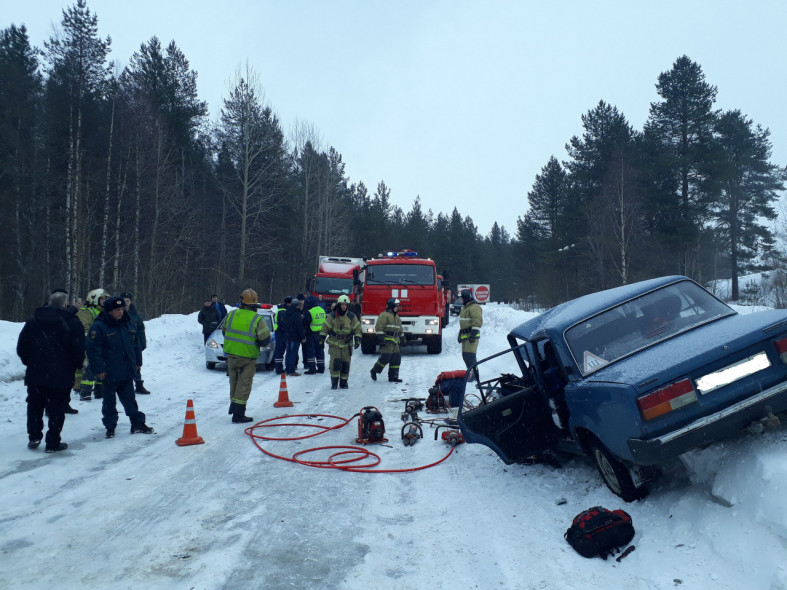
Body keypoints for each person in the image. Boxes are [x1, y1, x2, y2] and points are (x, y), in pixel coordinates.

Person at [16, 289, 85, 453]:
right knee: (57, 408)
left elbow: (22, 347)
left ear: (48, 302)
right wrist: (75, 365)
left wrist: (30, 363)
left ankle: (34, 436)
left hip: (36, 372)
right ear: (64, 304)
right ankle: (52, 442)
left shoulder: (33, 321)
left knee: (34, 405)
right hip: (61, 374)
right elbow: (79, 348)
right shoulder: (73, 323)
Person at [85, 296, 153, 438]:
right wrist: (99, 369)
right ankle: (110, 427)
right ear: (109, 311)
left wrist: (138, 362)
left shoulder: (127, 324)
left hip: (127, 369)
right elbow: (93, 350)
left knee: (130, 400)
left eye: (121, 309)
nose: (120, 312)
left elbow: (135, 345)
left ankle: (137, 423)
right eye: (117, 310)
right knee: (109, 402)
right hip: (109, 372)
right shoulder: (99, 326)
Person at [223, 288, 271, 423]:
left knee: (234, 383)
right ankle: (238, 414)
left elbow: (224, 332)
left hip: (231, 356)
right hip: (247, 358)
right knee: (244, 385)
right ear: (254, 305)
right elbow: (264, 339)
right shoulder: (257, 319)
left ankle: (234, 408)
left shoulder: (231, 314)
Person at [319, 294, 361, 390]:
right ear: (339, 304)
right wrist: (321, 339)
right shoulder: (332, 316)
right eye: (342, 304)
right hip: (335, 345)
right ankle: (334, 383)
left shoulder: (351, 316)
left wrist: (358, 339)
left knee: (346, 365)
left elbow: (357, 328)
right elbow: (325, 328)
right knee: (335, 364)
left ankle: (343, 382)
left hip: (347, 345)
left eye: (345, 305)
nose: (344, 306)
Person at [76, 288, 110, 401]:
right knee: (89, 368)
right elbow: (83, 329)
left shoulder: (106, 312)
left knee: (103, 366)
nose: (104, 301)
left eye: (106, 298)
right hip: (90, 344)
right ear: (95, 299)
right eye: (102, 298)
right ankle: (84, 391)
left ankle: (99, 391)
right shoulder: (86, 312)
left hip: (103, 345)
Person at [120, 292, 150, 394]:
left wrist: (142, 342)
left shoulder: (135, 314)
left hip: (134, 343)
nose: (126, 303)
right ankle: (122, 386)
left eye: (128, 301)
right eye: (124, 301)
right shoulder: (118, 313)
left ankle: (138, 385)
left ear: (131, 301)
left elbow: (140, 329)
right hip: (122, 344)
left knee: (137, 365)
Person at [370, 298, 403, 383]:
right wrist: (381, 339)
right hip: (387, 340)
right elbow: (379, 327)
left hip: (395, 341)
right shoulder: (384, 315)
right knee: (385, 357)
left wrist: (403, 337)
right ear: (392, 306)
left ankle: (393, 377)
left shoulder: (397, 317)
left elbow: (400, 329)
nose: (398, 307)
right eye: (396, 306)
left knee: (396, 358)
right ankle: (374, 370)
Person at [458, 289, 483, 380]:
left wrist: (474, 333)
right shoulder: (466, 308)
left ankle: (475, 375)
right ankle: (470, 373)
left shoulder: (474, 307)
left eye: (461, 298)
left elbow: (477, 320)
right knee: (465, 356)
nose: (460, 300)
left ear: (466, 298)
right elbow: (464, 323)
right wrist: (461, 334)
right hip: (466, 337)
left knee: (470, 357)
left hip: (472, 336)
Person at [280, 296, 305, 377]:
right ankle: (292, 370)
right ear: (297, 305)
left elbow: (283, 325)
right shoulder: (296, 315)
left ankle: (287, 370)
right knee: (293, 354)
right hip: (295, 337)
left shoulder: (286, 312)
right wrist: (303, 336)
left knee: (288, 353)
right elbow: (299, 327)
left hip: (287, 336)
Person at [302, 295, 326, 374]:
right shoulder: (322, 310)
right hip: (321, 334)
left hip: (312, 334)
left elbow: (305, 322)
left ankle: (312, 369)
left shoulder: (310, 312)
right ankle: (321, 368)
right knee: (320, 351)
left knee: (311, 351)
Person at [272, 296, 291, 374]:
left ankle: (278, 367)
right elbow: (283, 324)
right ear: (287, 303)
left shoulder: (281, 310)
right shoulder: (283, 311)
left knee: (280, 351)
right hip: (281, 334)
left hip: (280, 333)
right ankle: (279, 368)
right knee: (280, 351)